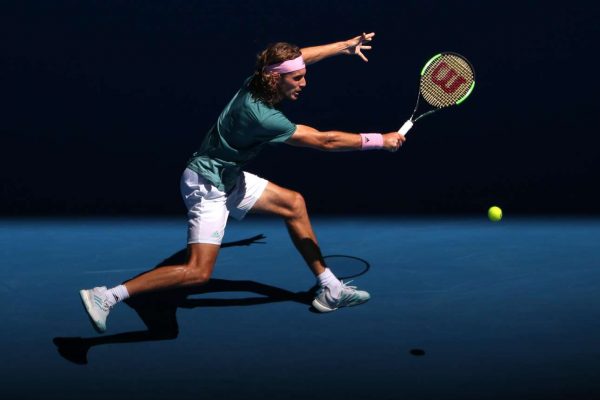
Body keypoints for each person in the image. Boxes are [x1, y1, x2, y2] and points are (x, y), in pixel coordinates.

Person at [80, 32, 406, 333]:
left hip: (228, 177)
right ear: (275, 78)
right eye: (297, 78)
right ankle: (107, 296)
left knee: (293, 204)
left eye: (303, 75)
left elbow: (300, 58)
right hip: (207, 186)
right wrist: (380, 140)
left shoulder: (258, 80)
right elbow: (325, 141)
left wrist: (343, 47)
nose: (304, 82)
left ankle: (330, 288)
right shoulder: (264, 117)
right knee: (198, 273)